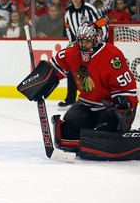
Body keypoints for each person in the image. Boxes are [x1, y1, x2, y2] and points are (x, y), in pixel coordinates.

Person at [18, 22, 138, 160]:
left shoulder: (111, 55)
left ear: (95, 40)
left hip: (109, 107)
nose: (82, 45)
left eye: (87, 41)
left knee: (102, 135)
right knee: (67, 132)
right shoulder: (72, 51)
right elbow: (54, 67)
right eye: (80, 41)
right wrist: (40, 81)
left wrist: (123, 100)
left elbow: (127, 86)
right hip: (87, 103)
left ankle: (115, 129)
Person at [59, 0, 108, 108]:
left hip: (94, 45)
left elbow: (102, 22)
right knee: (71, 68)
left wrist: (103, 41)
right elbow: (68, 29)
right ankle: (70, 98)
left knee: (94, 71)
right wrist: (72, 45)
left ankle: (98, 97)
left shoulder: (89, 8)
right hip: (78, 45)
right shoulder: (68, 11)